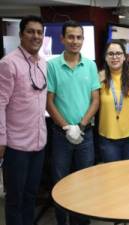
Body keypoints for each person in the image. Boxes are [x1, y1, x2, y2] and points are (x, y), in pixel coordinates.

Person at [47, 20, 100, 225]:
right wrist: (67, 127)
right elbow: (49, 102)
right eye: (70, 37)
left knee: (85, 181)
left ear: (83, 39)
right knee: (60, 183)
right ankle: (62, 222)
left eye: (78, 37)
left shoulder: (91, 65)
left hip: (85, 134)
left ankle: (81, 222)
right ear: (62, 39)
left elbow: (95, 100)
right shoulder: (52, 65)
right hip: (61, 135)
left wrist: (81, 125)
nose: (74, 41)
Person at [0, 15, 47, 225]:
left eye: (39, 32)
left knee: (31, 197)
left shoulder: (43, 64)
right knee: (15, 200)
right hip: (16, 146)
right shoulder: (8, 64)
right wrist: (1, 140)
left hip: (39, 143)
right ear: (20, 35)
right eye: (30, 31)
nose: (35, 36)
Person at [98, 40, 129, 162]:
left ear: (124, 57)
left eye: (118, 53)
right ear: (105, 57)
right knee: (112, 176)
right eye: (110, 54)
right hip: (108, 137)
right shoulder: (99, 77)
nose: (115, 57)